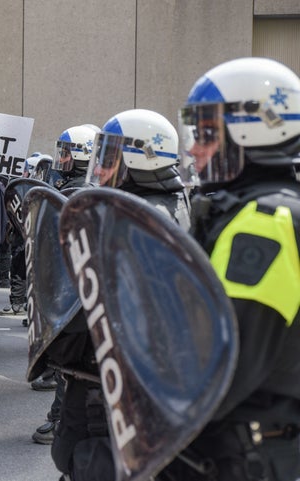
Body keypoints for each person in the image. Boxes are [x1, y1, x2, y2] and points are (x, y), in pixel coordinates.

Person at [154, 57, 300, 480]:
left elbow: (219, 363)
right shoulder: (254, 209)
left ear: (251, 132)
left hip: (240, 456)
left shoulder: (265, 222)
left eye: (206, 135)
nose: (194, 149)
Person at [44, 110, 191, 479]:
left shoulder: (128, 221)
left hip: (106, 384)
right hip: (147, 386)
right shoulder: (174, 206)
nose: (104, 166)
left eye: (112, 157)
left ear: (142, 156)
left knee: (85, 460)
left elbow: (91, 307)